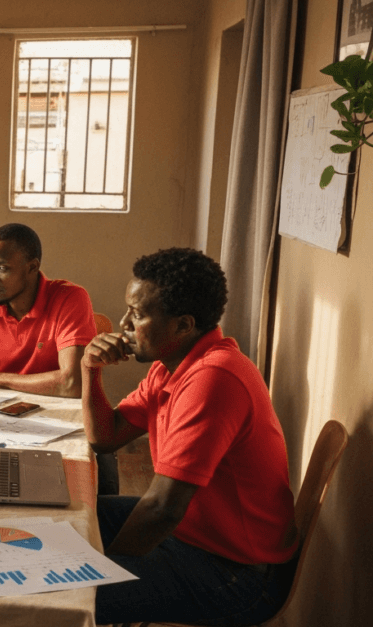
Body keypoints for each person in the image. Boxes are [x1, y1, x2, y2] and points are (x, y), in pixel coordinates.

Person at [82, 248, 298, 626]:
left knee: (69, 590)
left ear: (183, 325)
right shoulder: (172, 365)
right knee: (72, 516)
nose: (123, 324)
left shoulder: (213, 379)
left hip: (237, 574)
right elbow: (107, 437)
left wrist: (100, 567)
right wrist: (90, 370)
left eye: (138, 315)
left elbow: (163, 508)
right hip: (194, 535)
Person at [0, 223, 96, 398]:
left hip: (59, 411)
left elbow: (73, 384)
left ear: (32, 267)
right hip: (9, 408)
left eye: (2, 268)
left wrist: (0, 380)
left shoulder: (70, 298)